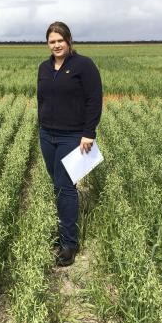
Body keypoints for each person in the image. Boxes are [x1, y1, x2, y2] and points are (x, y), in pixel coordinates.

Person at [37, 21, 102, 266]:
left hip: (71, 136)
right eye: (52, 41)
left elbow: (94, 99)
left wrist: (89, 132)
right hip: (47, 135)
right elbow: (40, 98)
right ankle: (66, 226)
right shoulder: (44, 67)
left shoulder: (83, 65)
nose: (56, 45)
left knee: (64, 186)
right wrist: (40, 125)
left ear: (69, 40)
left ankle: (68, 244)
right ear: (48, 43)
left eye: (59, 40)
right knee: (58, 184)